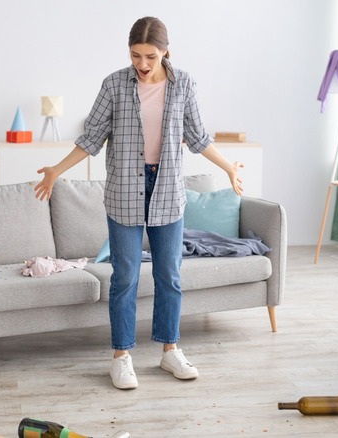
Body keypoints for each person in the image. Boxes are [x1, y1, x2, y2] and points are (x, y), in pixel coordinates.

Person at [34, 16, 243, 390]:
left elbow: (198, 137)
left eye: (150, 56)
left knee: (170, 276)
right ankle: (122, 357)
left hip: (167, 188)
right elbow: (92, 137)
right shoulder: (114, 84)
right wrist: (56, 170)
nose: (142, 64)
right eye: (135, 56)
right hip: (125, 190)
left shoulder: (184, 85)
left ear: (166, 52)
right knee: (125, 277)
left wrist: (229, 167)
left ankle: (169, 351)